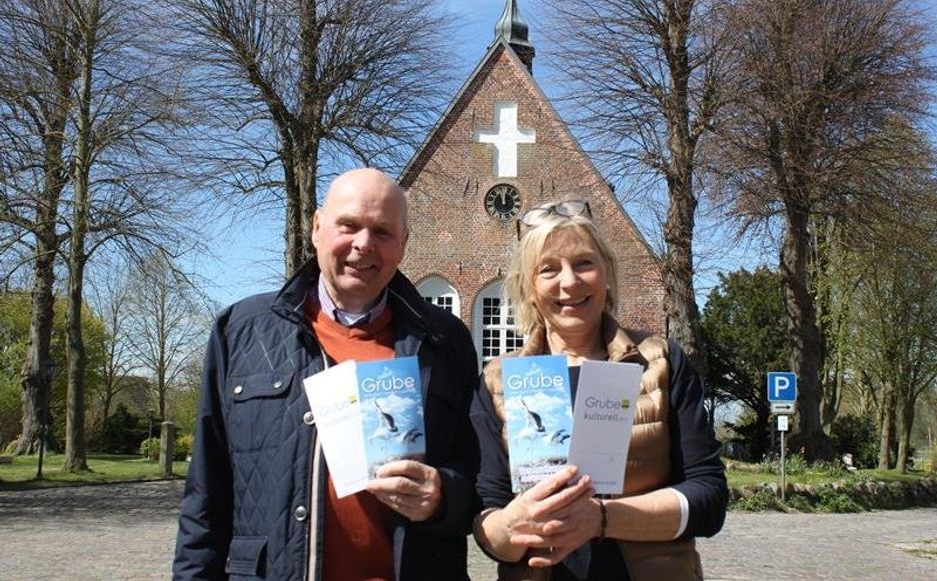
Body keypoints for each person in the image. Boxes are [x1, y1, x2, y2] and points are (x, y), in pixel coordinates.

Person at [174, 169, 480, 580]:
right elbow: (205, 495)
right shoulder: (241, 330)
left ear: (403, 244)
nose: (363, 244)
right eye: (349, 225)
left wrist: (443, 497)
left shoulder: (445, 340)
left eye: (383, 232)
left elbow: (477, 476)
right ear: (318, 228)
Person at [470, 199, 727, 580]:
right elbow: (487, 514)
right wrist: (512, 526)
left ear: (607, 272)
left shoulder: (660, 363)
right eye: (548, 269)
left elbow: (709, 500)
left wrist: (601, 520)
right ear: (529, 287)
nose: (569, 281)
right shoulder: (499, 381)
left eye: (584, 263)